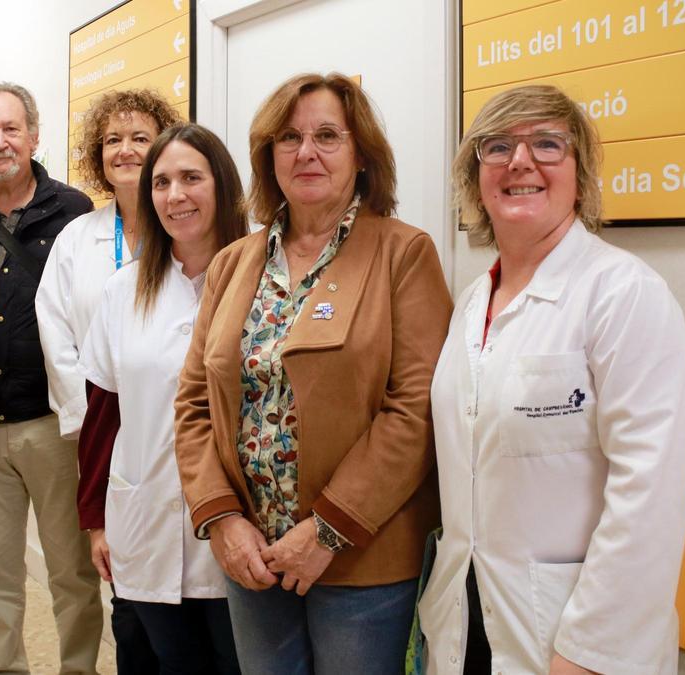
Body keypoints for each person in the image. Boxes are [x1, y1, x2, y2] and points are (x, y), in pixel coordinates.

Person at [173, 72, 453, 674]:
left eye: (328, 135)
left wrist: (325, 530)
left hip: (362, 559)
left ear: (361, 154)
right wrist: (221, 517)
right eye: (288, 138)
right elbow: (194, 402)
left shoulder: (403, 253)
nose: (306, 152)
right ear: (267, 156)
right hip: (253, 556)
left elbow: (418, 408)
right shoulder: (232, 264)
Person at [420, 84, 685, 675]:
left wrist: (591, 651)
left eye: (547, 144)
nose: (521, 162)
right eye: (498, 147)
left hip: (574, 637)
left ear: (581, 174)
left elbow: (649, 493)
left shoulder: (624, 293)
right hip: (467, 620)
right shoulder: (472, 303)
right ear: (476, 177)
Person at [0, 81, 103, 674]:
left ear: (35, 136)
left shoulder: (75, 212)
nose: (0, 141)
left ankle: (80, 669)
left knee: (71, 572)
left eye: (12, 128)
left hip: (54, 426)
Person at [78, 124, 248, 673]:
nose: (175, 196)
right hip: (143, 518)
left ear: (222, 185)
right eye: (162, 182)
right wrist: (97, 519)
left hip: (237, 526)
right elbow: (103, 412)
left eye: (191, 178)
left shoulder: (265, 280)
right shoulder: (123, 290)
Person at [36, 88, 181, 672]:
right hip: (107, 432)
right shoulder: (78, 238)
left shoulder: (192, 226)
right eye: (112, 140)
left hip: (182, 427)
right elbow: (56, 333)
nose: (125, 150)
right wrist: (90, 418)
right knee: (129, 596)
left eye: (140, 138)